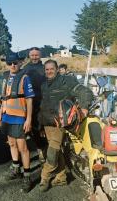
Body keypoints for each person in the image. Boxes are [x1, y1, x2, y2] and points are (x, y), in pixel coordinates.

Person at [38, 60, 93, 192]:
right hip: (46, 122)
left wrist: (84, 108)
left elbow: (85, 92)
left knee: (53, 151)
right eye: (47, 69)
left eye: (52, 69)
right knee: (57, 149)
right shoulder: (44, 85)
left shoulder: (66, 81)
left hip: (60, 123)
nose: (49, 71)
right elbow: (42, 105)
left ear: (57, 69)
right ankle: (61, 177)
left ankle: (44, 176)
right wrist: (40, 124)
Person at [0, 53, 34, 193]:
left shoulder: (25, 78)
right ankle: (16, 168)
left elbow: (30, 99)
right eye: (10, 63)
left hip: (19, 117)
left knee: (22, 147)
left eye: (15, 63)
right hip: (7, 117)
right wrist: (0, 113)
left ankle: (27, 176)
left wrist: (29, 119)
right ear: (7, 64)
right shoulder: (6, 76)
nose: (13, 65)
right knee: (11, 144)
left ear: (20, 63)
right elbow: (4, 98)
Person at [22, 47, 46, 163]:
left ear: (40, 55)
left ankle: (46, 148)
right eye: (32, 55)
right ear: (29, 56)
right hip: (30, 102)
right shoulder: (25, 69)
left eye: (37, 55)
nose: (35, 57)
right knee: (34, 127)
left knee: (45, 126)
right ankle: (40, 148)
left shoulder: (45, 68)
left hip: (44, 101)